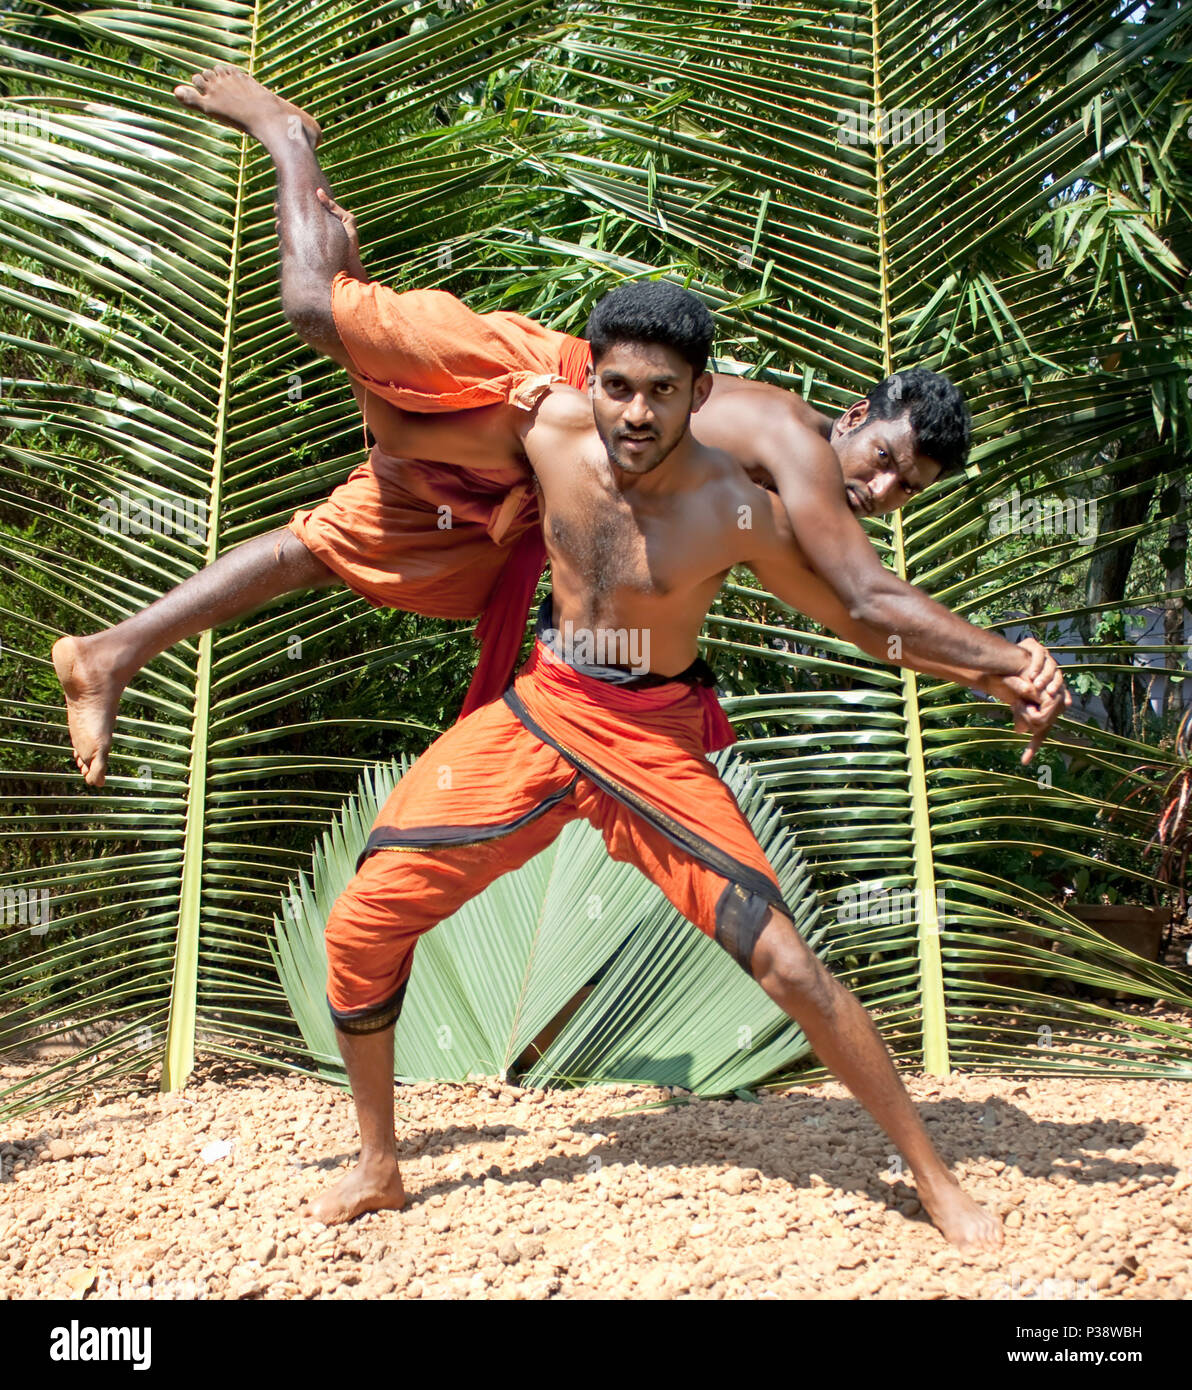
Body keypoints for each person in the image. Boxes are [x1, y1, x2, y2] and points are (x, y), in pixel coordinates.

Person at [301, 274, 1069, 1254]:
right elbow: (403, 430)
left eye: (661, 392)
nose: (635, 410)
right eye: (617, 386)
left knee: (786, 962)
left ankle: (932, 1175)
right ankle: (378, 1163)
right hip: (543, 709)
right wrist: (386, 384)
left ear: (698, 397)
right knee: (365, 920)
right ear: (592, 382)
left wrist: (993, 667)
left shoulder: (735, 510)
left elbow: (864, 616)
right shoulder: (545, 433)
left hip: (652, 738)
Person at [54, 66, 968, 787]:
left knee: (327, 543)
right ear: (855, 415)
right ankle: (290, 138)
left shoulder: (786, 507)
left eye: (904, 491)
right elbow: (870, 598)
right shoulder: (796, 444)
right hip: (540, 383)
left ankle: (110, 652)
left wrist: (981, 675)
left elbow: (860, 625)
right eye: (885, 458)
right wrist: (1007, 666)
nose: (880, 489)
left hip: (528, 496)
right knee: (315, 309)